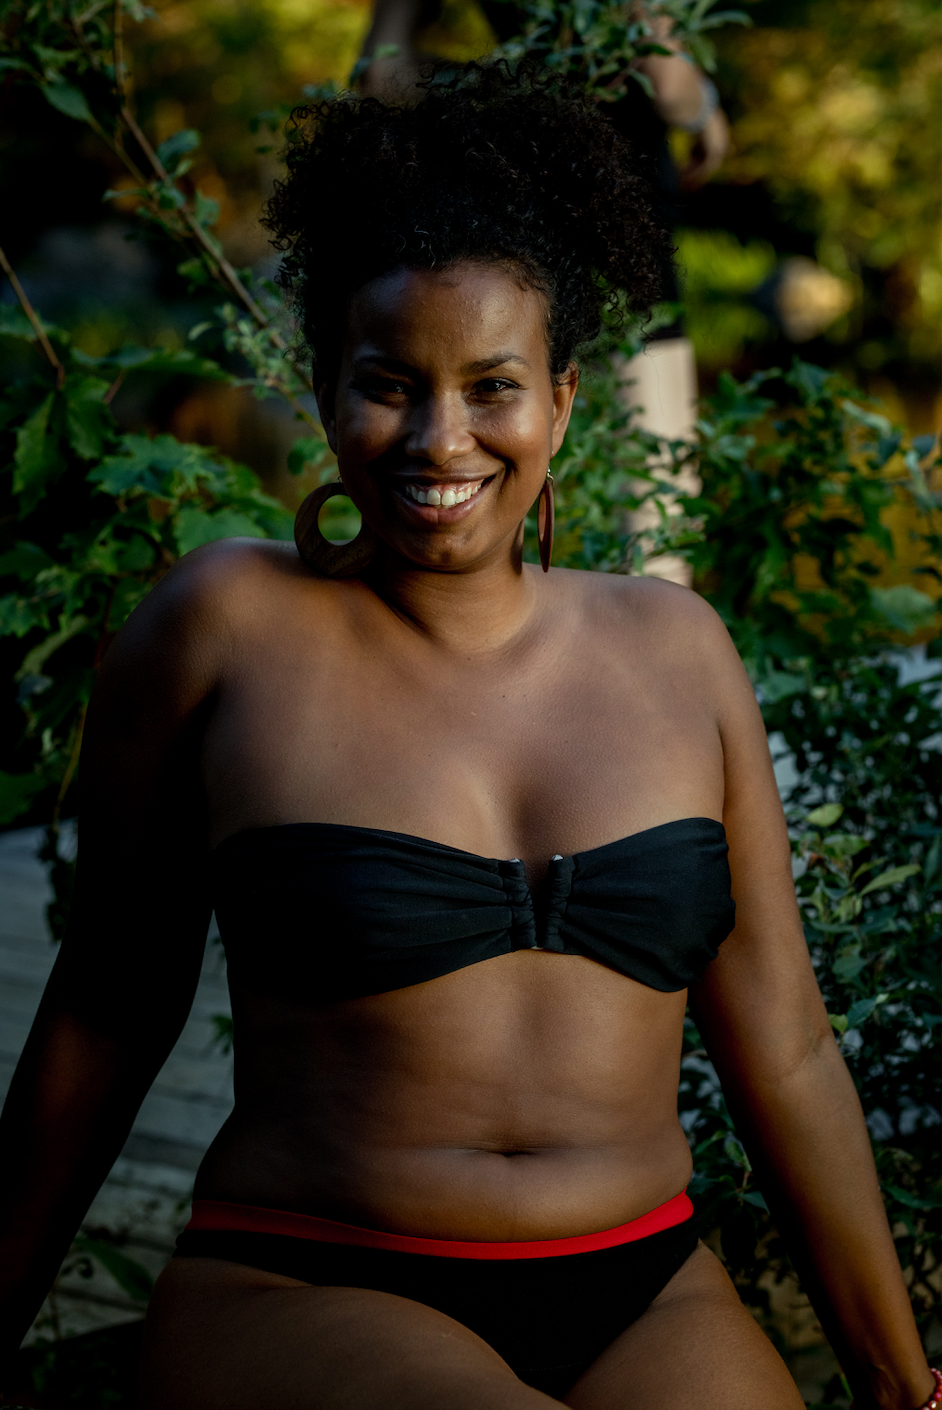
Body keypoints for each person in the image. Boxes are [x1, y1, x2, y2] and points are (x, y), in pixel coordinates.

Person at [0, 65, 937, 1410]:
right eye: (389, 383)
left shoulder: (676, 651)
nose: (440, 438)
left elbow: (781, 1042)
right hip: (310, 1280)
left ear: (560, 401)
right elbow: (103, 1010)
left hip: (644, 1282)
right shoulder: (220, 628)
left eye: (489, 386)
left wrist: (905, 1388)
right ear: (323, 387)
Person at [357, 0, 728, 584]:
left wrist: (499, 90)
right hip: (629, 290)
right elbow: (665, 83)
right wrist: (705, 109)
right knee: (653, 550)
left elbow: (381, 76)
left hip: (501, 291)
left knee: (494, 553)